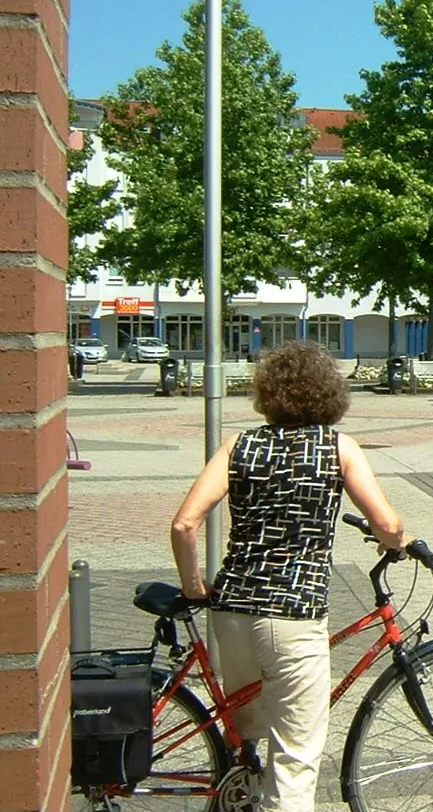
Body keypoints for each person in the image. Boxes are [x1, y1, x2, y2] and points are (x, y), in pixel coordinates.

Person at [170, 341, 413, 812]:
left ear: (267, 393)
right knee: (295, 758)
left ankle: (238, 793)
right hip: (292, 615)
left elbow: (184, 524)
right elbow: (387, 524)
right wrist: (397, 542)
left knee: (248, 733)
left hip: (232, 612)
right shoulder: (337, 447)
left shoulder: (238, 445)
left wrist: (194, 587)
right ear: (330, 394)